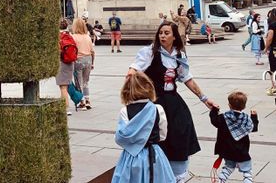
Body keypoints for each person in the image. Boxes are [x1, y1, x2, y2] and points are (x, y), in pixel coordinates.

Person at [128, 22, 219, 181]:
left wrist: (204, 99)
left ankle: (178, 175)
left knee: (181, 132)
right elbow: (134, 70)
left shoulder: (179, 55)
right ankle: (158, 173)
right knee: (158, 139)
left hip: (173, 102)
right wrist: (132, 82)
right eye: (160, 32)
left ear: (174, 36)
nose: (162, 36)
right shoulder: (150, 52)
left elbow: (187, 78)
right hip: (154, 103)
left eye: (166, 33)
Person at [111, 73, 174, 183]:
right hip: (154, 154)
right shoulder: (157, 109)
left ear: (127, 90)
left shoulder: (124, 111)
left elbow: (120, 138)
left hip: (131, 156)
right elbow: (162, 135)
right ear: (149, 87)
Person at [210, 91, 259, 183]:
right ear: (244, 106)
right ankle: (247, 181)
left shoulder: (223, 117)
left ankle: (221, 180)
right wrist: (254, 116)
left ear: (229, 105)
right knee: (247, 171)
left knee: (228, 167)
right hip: (242, 151)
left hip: (227, 150)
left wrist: (214, 110)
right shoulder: (246, 119)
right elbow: (253, 128)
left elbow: (214, 120)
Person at [71, 17, 96, 110]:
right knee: (86, 82)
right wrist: (92, 62)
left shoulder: (73, 37)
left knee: (78, 82)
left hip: (78, 60)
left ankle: (82, 102)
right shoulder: (87, 37)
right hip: (88, 59)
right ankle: (88, 100)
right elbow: (93, 52)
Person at [57, 19, 77, 116]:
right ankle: (67, 106)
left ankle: (66, 108)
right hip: (70, 63)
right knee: (65, 85)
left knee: (63, 87)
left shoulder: (59, 37)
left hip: (62, 63)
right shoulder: (70, 36)